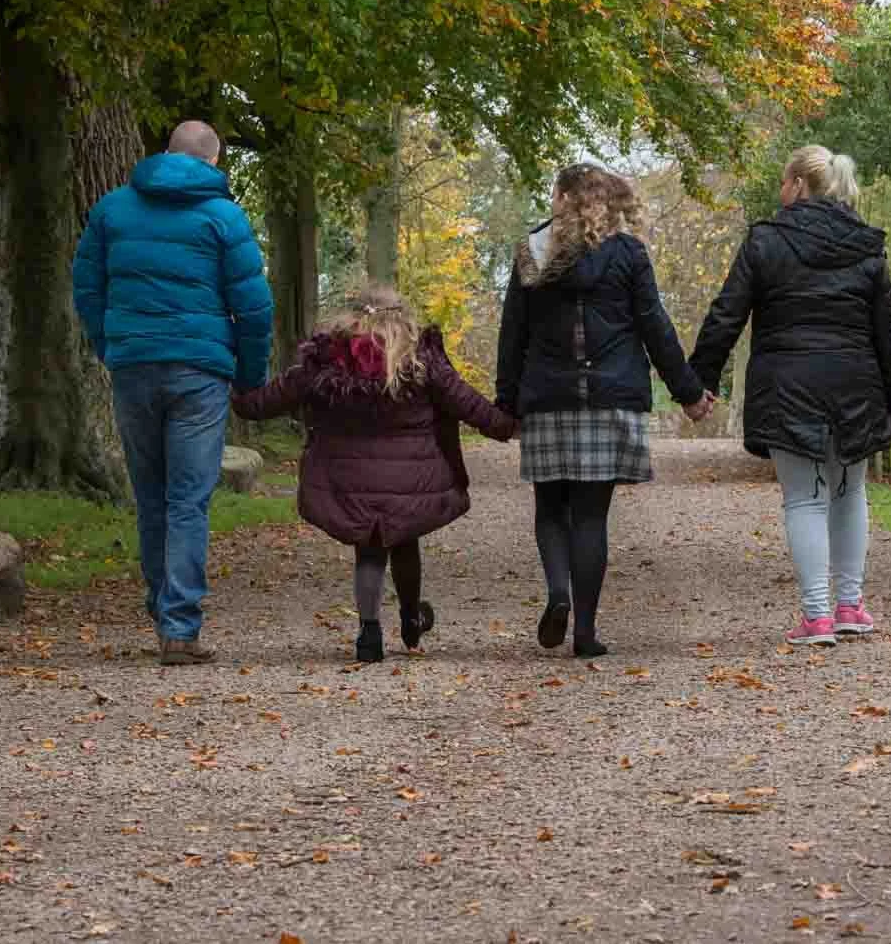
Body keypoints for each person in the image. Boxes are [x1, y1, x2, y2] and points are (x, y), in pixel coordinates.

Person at [73, 120, 274, 666]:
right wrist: (250, 378)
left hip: (133, 365)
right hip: (199, 372)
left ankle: (161, 605)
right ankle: (179, 627)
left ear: (163, 154)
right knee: (188, 498)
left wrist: (109, 343)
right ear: (212, 162)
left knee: (152, 494)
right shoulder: (223, 217)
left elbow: (87, 286)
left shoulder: (113, 209)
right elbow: (254, 307)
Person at [496, 164, 714, 657]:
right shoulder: (627, 253)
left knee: (550, 508)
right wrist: (689, 393)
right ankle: (586, 633)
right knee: (592, 518)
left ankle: (557, 594)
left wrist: (506, 402)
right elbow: (655, 326)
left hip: (548, 398)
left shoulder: (531, 253)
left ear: (563, 198)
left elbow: (514, 334)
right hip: (609, 399)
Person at [232, 286, 518, 663]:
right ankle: (411, 621)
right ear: (401, 318)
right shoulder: (421, 359)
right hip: (409, 482)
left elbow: (264, 402)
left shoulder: (324, 361)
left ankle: (369, 633)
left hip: (348, 481)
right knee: (405, 540)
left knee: (368, 550)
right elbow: (468, 403)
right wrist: (508, 425)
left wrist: (235, 390)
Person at [688, 145, 891, 647]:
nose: (780, 192)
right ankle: (850, 606)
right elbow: (887, 331)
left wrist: (700, 381)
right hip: (856, 382)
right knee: (850, 493)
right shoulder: (866, 245)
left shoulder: (766, 241)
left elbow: (727, 313)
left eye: (784, 183)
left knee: (805, 499)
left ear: (799, 186)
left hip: (788, 384)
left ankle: (817, 616)